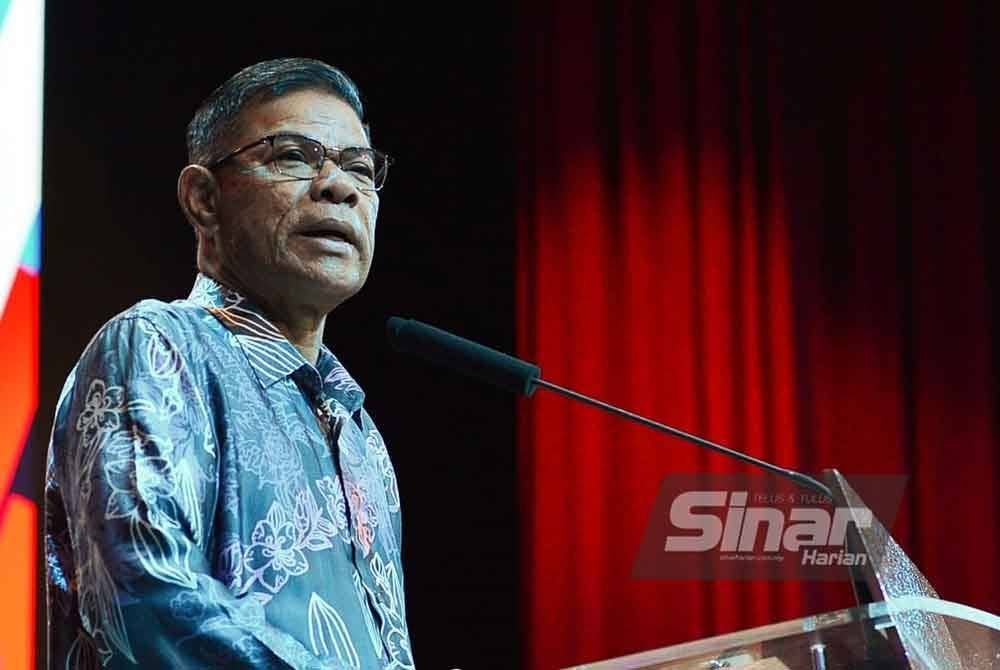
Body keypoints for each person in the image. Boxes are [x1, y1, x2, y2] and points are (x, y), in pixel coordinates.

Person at [45, 57, 412, 669]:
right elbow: (150, 598)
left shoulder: (360, 433)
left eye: (359, 167)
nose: (340, 186)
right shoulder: (158, 347)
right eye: (294, 156)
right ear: (204, 199)